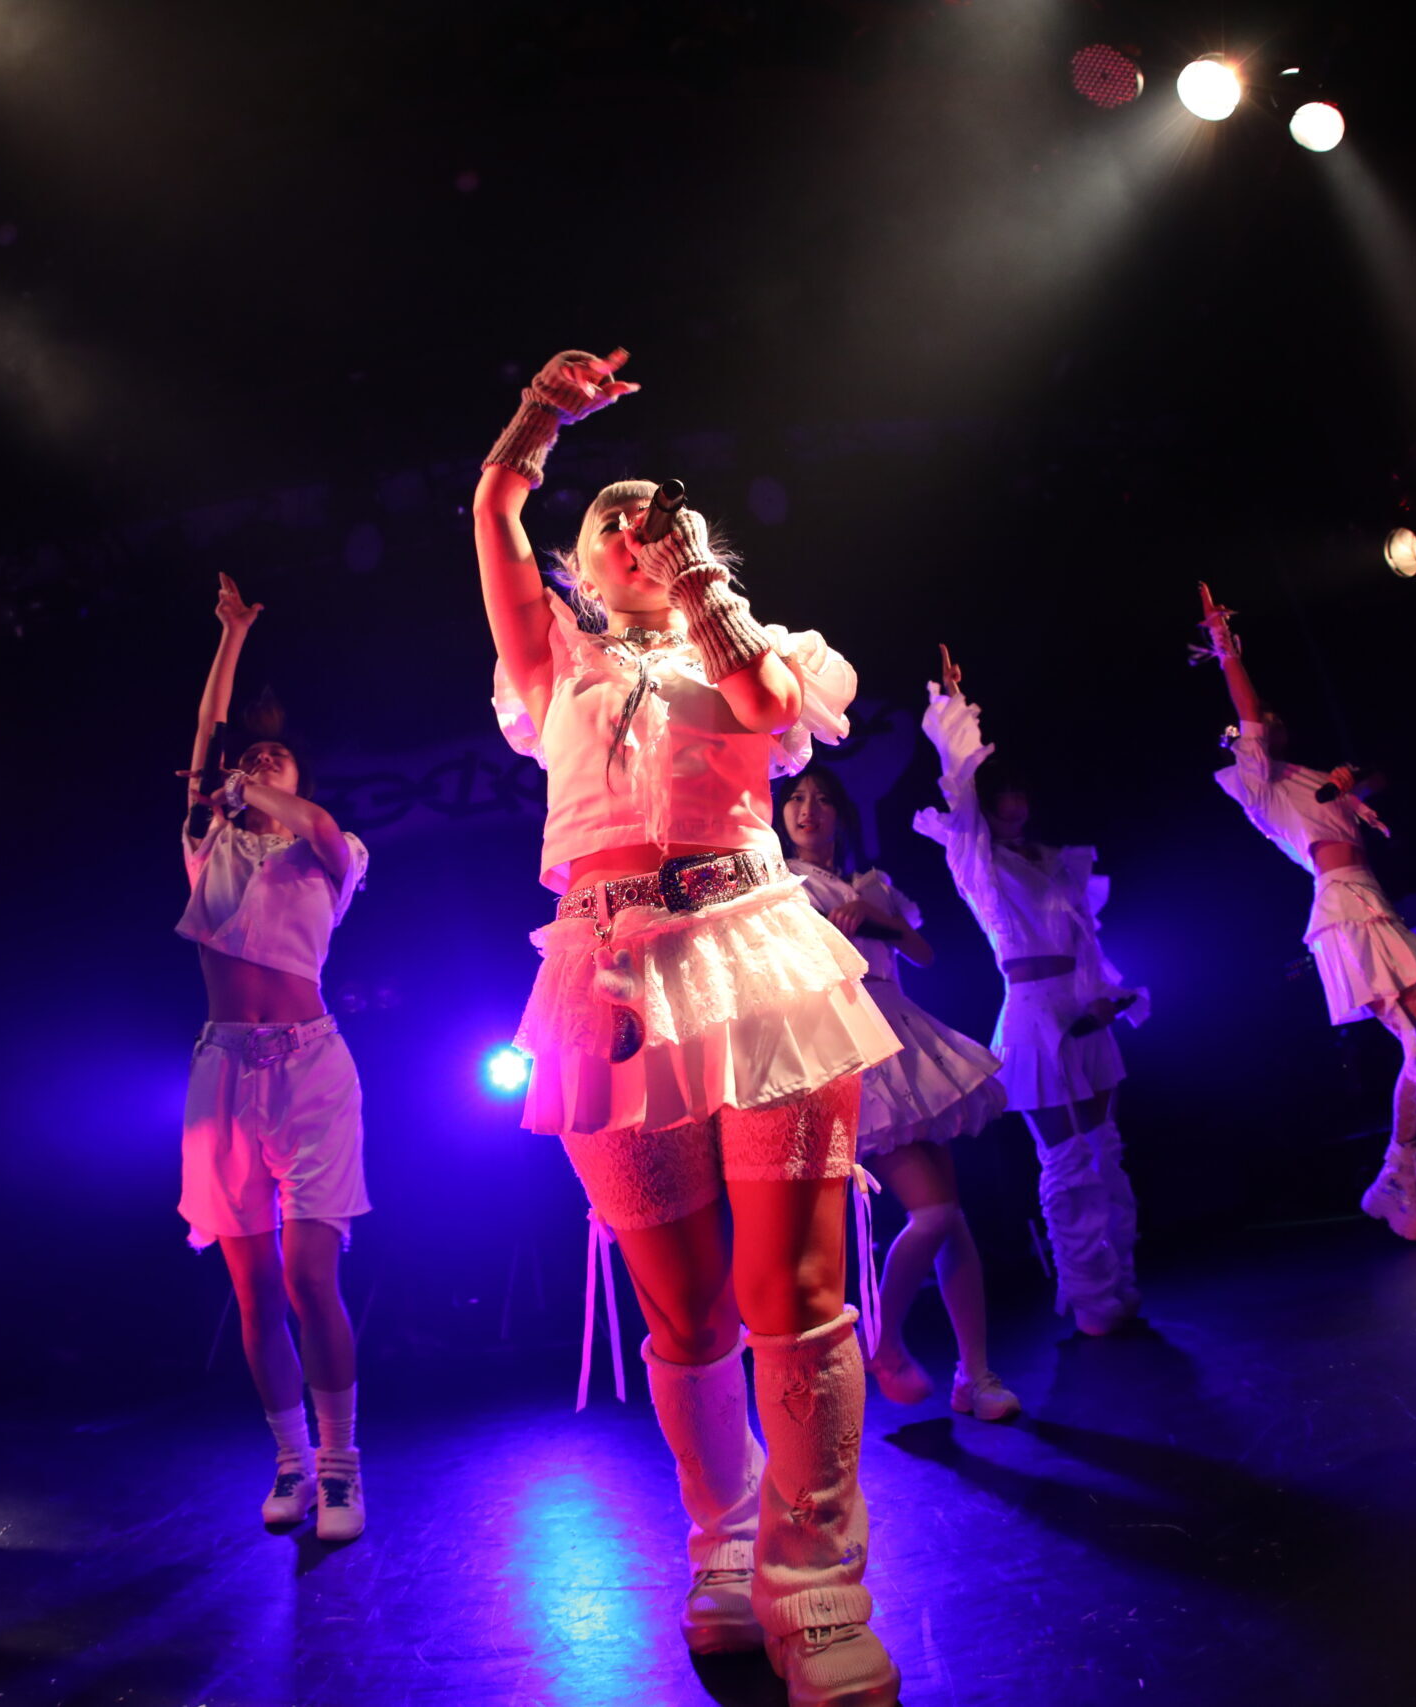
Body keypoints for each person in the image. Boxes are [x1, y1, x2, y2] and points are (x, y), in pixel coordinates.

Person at [475, 349, 903, 1706]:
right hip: (603, 974)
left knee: (796, 1288)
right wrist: (541, 418)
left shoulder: (761, 649)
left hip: (755, 951)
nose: (627, 531)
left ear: (691, 544)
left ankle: (817, 1583)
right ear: (581, 563)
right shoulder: (551, 656)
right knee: (683, 1302)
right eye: (606, 520)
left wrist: (705, 589)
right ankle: (723, 1545)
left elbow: (771, 712)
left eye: (652, 519)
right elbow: (493, 507)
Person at [1196, 585, 1416, 1239]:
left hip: (1373, 905)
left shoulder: (1313, 780)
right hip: (1343, 914)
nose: (1268, 720)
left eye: (1273, 716)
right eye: (1260, 720)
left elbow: (1379, 782)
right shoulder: (1261, 785)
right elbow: (1247, 712)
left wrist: (1359, 781)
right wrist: (1224, 646)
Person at [174, 573, 374, 1542]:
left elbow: (321, 826)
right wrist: (231, 636)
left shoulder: (330, 849)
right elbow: (203, 738)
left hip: (312, 1071)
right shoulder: (206, 844)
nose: (257, 761)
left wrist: (258, 788)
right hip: (223, 1072)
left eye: (276, 758)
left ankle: (340, 1470)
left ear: (298, 782)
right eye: (250, 757)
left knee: (308, 1277)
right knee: (253, 1287)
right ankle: (291, 1463)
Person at [914, 647, 1149, 1338]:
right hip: (1033, 1016)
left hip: (1084, 1009)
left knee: (1104, 1152)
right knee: (1067, 1158)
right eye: (1002, 795)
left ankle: (1118, 1281)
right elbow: (959, 794)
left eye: (1020, 794)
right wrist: (954, 707)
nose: (1013, 806)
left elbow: (1087, 939)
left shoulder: (1055, 861)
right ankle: (1089, 1293)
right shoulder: (978, 862)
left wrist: (1108, 994)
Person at [776, 764, 1018, 1419]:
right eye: (796, 798)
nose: (808, 809)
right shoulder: (783, 885)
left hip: (904, 1034)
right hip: (853, 1041)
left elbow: (923, 952)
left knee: (953, 1218)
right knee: (934, 1212)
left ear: (842, 814)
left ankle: (976, 1375)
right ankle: (882, 1342)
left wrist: (877, 915)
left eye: (822, 799)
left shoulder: (873, 883)